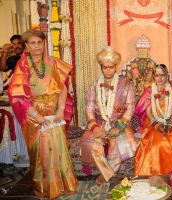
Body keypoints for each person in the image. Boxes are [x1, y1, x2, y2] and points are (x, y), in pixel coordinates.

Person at [8, 29, 78, 199]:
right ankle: (46, 188)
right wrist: (37, 116)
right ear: (26, 46)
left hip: (54, 114)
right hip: (34, 115)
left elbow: (62, 89)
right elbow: (16, 95)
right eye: (33, 43)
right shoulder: (22, 66)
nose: (37, 46)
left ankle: (65, 184)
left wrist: (61, 110)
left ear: (44, 43)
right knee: (43, 152)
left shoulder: (54, 63)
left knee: (60, 149)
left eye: (39, 42)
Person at [80, 46, 138, 185]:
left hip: (119, 123)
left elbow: (130, 109)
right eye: (105, 67)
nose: (108, 70)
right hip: (99, 123)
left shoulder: (125, 85)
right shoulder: (93, 86)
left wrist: (118, 126)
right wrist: (94, 127)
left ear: (115, 67)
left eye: (111, 67)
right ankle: (108, 173)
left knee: (116, 142)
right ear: (101, 68)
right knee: (89, 143)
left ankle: (110, 172)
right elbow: (89, 109)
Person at [134, 64, 172, 189]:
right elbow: (148, 112)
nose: (159, 78)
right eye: (157, 75)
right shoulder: (149, 90)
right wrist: (156, 123)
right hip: (153, 122)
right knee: (158, 142)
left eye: (162, 75)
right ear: (153, 76)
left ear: (166, 76)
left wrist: (170, 124)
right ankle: (156, 176)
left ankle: (169, 177)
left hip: (171, 122)